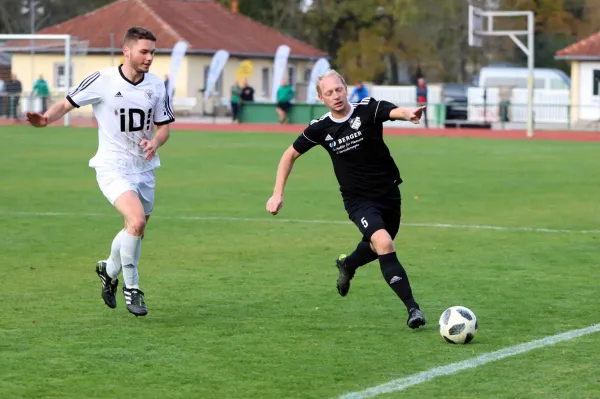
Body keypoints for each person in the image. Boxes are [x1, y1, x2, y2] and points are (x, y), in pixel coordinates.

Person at [26, 26, 175, 317]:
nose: (149, 58)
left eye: (153, 53)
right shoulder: (103, 80)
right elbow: (67, 103)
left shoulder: (156, 86)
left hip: (144, 169)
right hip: (112, 166)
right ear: (127, 51)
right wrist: (46, 119)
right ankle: (133, 288)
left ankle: (108, 269)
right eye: (144, 52)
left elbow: (165, 126)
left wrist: (155, 142)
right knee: (135, 221)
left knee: (136, 230)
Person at [265, 69, 427, 329]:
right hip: (358, 201)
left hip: (388, 193)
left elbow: (393, 111)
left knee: (377, 246)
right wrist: (277, 193)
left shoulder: (367, 109)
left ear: (346, 89)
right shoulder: (320, 128)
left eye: (338, 89)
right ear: (321, 98)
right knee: (384, 242)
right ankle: (413, 309)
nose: (335, 96)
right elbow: (289, 155)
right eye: (328, 92)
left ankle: (348, 264)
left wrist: (409, 114)